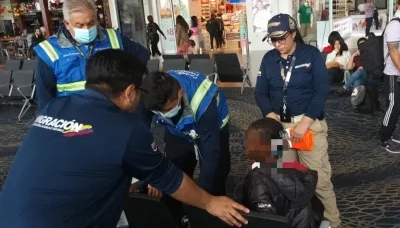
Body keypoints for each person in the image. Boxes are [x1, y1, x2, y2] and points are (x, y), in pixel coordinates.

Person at [0, 49, 249, 228]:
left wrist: (205, 197)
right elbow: (166, 174)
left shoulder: (55, 106)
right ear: (131, 91)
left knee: (214, 167)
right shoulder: (125, 127)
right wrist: (208, 203)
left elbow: (208, 155)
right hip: (67, 219)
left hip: (9, 215)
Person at [254, 14, 341, 227]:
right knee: (284, 175)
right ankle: (299, 219)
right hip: (279, 128)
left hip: (308, 125)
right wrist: (270, 115)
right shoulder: (268, 59)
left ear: (293, 34)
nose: (277, 44)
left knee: (318, 177)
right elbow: (260, 92)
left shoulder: (311, 55)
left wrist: (304, 124)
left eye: (282, 38)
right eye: (273, 40)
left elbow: (321, 91)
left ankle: (332, 221)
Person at [138, 70, 231, 226]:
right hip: (177, 131)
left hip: (213, 127)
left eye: (168, 109)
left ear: (180, 92)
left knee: (214, 174)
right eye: (160, 112)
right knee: (173, 170)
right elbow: (140, 136)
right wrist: (153, 175)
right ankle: (179, 216)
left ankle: (211, 219)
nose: (164, 114)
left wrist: (203, 201)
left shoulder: (202, 99)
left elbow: (211, 153)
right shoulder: (147, 95)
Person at [33, 0, 149, 110]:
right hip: (73, 117)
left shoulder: (114, 38)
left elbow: (142, 58)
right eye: (80, 25)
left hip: (112, 113)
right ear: (67, 24)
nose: (87, 29)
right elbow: (45, 98)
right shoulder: (49, 50)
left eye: (91, 23)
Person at [242, 118, 324, 228]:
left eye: (250, 142)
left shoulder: (257, 180)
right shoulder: (298, 169)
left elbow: (268, 222)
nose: (246, 147)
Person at [380, 0, 400, 153]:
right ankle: (384, 138)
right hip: (393, 74)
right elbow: (393, 51)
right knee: (393, 106)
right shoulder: (394, 25)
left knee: (397, 106)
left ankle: (391, 133)